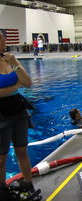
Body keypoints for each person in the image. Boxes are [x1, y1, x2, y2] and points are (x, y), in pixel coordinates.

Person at [0, 31, 41, 200]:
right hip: (1, 115)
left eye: (3, 36)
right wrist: (17, 84)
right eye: (0, 38)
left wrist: (15, 63)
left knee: (22, 151)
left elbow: (28, 82)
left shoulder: (9, 59)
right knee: (1, 158)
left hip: (18, 110)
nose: (4, 39)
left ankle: (28, 183)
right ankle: (1, 190)